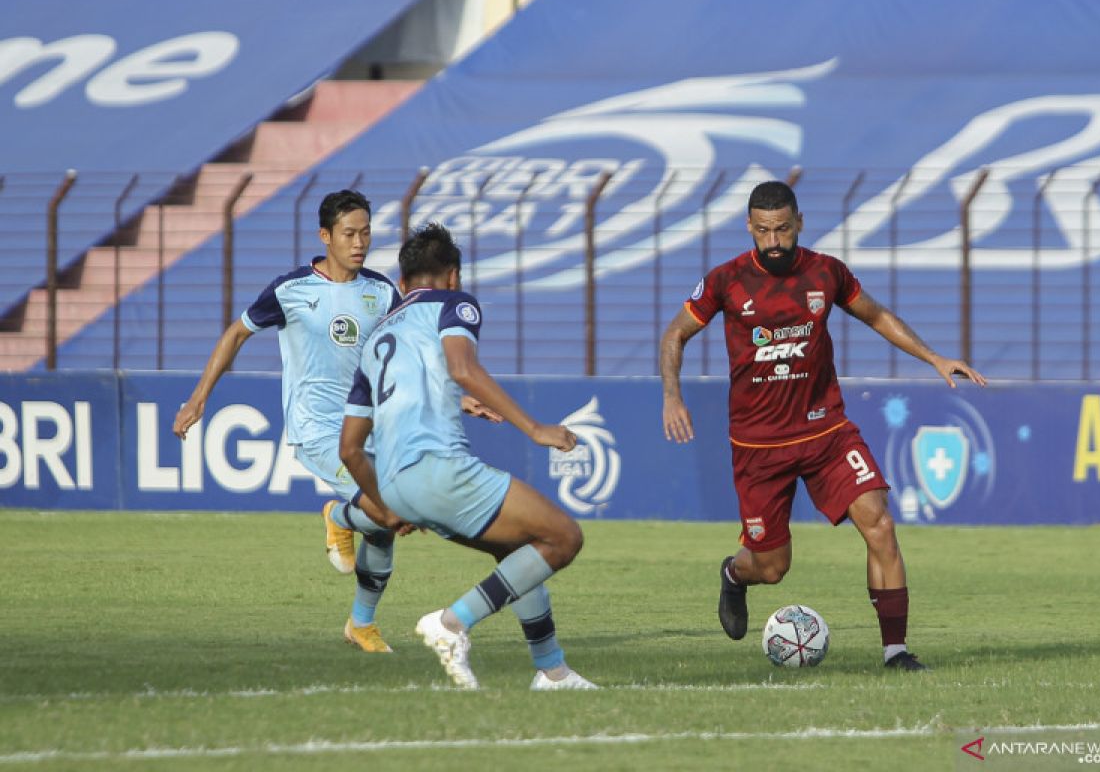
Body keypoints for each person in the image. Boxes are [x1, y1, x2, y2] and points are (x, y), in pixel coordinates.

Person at [659, 180, 987, 672]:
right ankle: (733, 573)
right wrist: (671, 394)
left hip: (825, 432)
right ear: (749, 227)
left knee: (880, 523)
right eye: (764, 231)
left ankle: (895, 651)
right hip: (758, 445)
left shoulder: (825, 272)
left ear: (799, 225)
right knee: (771, 569)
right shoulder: (726, 281)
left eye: (783, 230)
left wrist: (933, 357)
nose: (774, 242)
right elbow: (676, 334)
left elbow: (875, 315)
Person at [172, 190, 497, 654]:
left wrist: (459, 398)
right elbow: (236, 333)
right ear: (325, 236)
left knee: (386, 524)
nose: (359, 241)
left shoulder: (382, 291)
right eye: (349, 233)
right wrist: (198, 397)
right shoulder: (292, 290)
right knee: (388, 510)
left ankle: (360, 625)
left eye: (366, 232)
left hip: (371, 425)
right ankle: (338, 516)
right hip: (318, 430)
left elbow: (405, 357)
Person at [339, 223, 596, 690]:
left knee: (521, 552)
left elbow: (350, 448)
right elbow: (463, 367)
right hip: (438, 467)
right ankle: (452, 624)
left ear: (401, 284)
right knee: (563, 537)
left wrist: (388, 503)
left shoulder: (376, 341)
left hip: (395, 484)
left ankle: (552, 670)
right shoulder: (454, 303)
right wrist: (535, 428)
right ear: (452, 276)